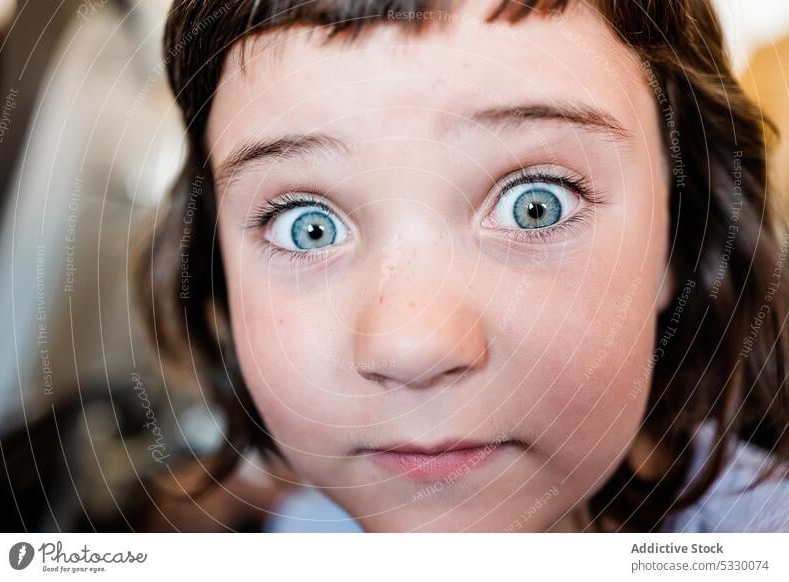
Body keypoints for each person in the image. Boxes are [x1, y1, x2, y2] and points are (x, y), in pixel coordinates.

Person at [138, 0, 789, 532]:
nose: (412, 346)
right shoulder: (303, 531)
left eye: (537, 205)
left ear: (674, 242)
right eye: (308, 225)